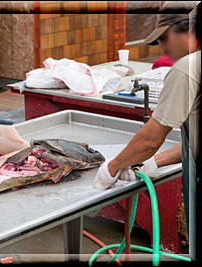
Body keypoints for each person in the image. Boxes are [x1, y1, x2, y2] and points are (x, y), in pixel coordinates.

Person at [93, 1, 200, 257]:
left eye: (164, 38)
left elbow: (150, 139)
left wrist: (112, 167)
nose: (163, 48)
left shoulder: (187, 69)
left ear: (184, 30)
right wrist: (154, 162)